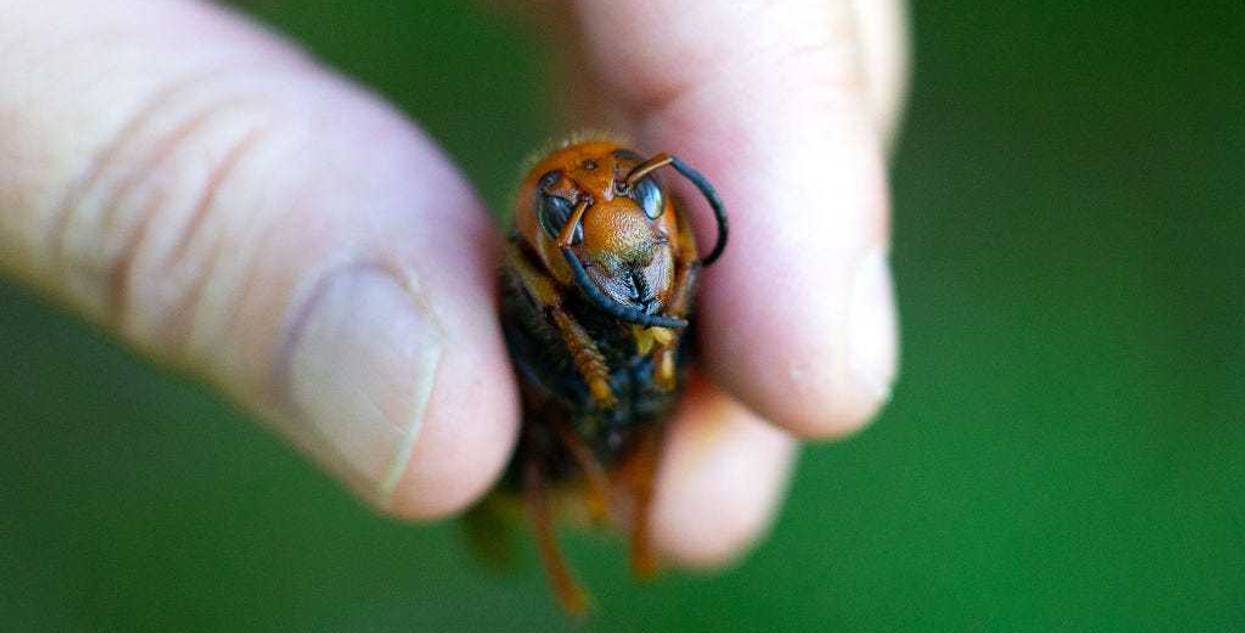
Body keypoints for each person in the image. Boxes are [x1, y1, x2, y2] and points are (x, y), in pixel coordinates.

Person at [0, 0, 905, 568]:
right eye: (574, 209)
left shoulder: (648, 242)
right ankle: (544, 517)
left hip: (627, 415)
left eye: (639, 198)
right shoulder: (540, 284)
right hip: (554, 437)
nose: (611, 211)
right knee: (521, 444)